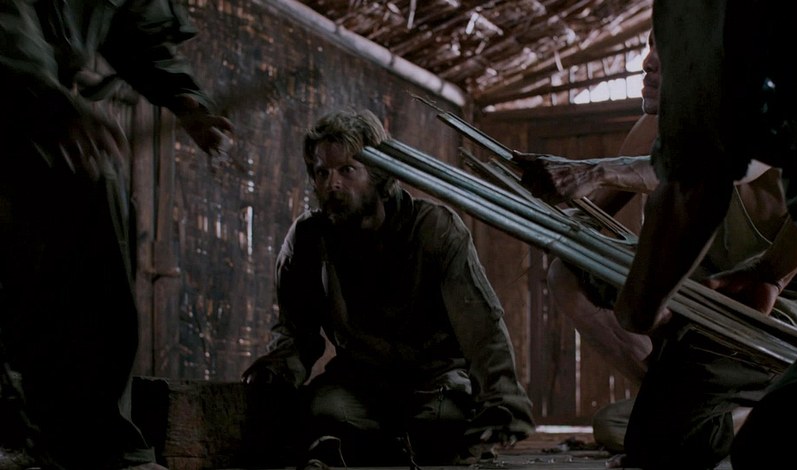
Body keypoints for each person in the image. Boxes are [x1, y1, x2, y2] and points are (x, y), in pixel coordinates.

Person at [517, 30, 797, 469]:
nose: (648, 62)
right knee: (570, 272)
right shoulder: (657, 126)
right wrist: (538, 216)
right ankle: (678, 399)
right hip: (696, 302)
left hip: (769, 314)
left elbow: (708, 169)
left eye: (669, 48)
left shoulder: (763, 120)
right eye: (650, 45)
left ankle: (751, 411)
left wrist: (595, 170)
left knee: (658, 446)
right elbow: (588, 216)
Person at [0, 0, 234, 469]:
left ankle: (92, 442)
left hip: (42, 115)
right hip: (15, 101)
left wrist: (185, 98)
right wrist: (46, 98)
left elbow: (139, 27)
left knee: (95, 188)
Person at [242, 109, 534, 469]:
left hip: (434, 381)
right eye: (322, 172)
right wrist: (276, 375)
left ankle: (389, 446)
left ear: (377, 175)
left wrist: (502, 399)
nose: (332, 184)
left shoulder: (433, 230)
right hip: (359, 383)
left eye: (347, 170)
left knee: (443, 426)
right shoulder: (309, 239)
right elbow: (295, 332)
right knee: (322, 413)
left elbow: (481, 327)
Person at [610, 2, 797, 470]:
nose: (650, 61)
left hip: (794, 317)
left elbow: (694, 185)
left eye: (660, 46)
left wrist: (641, 310)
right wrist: (769, 272)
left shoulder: (710, 19)